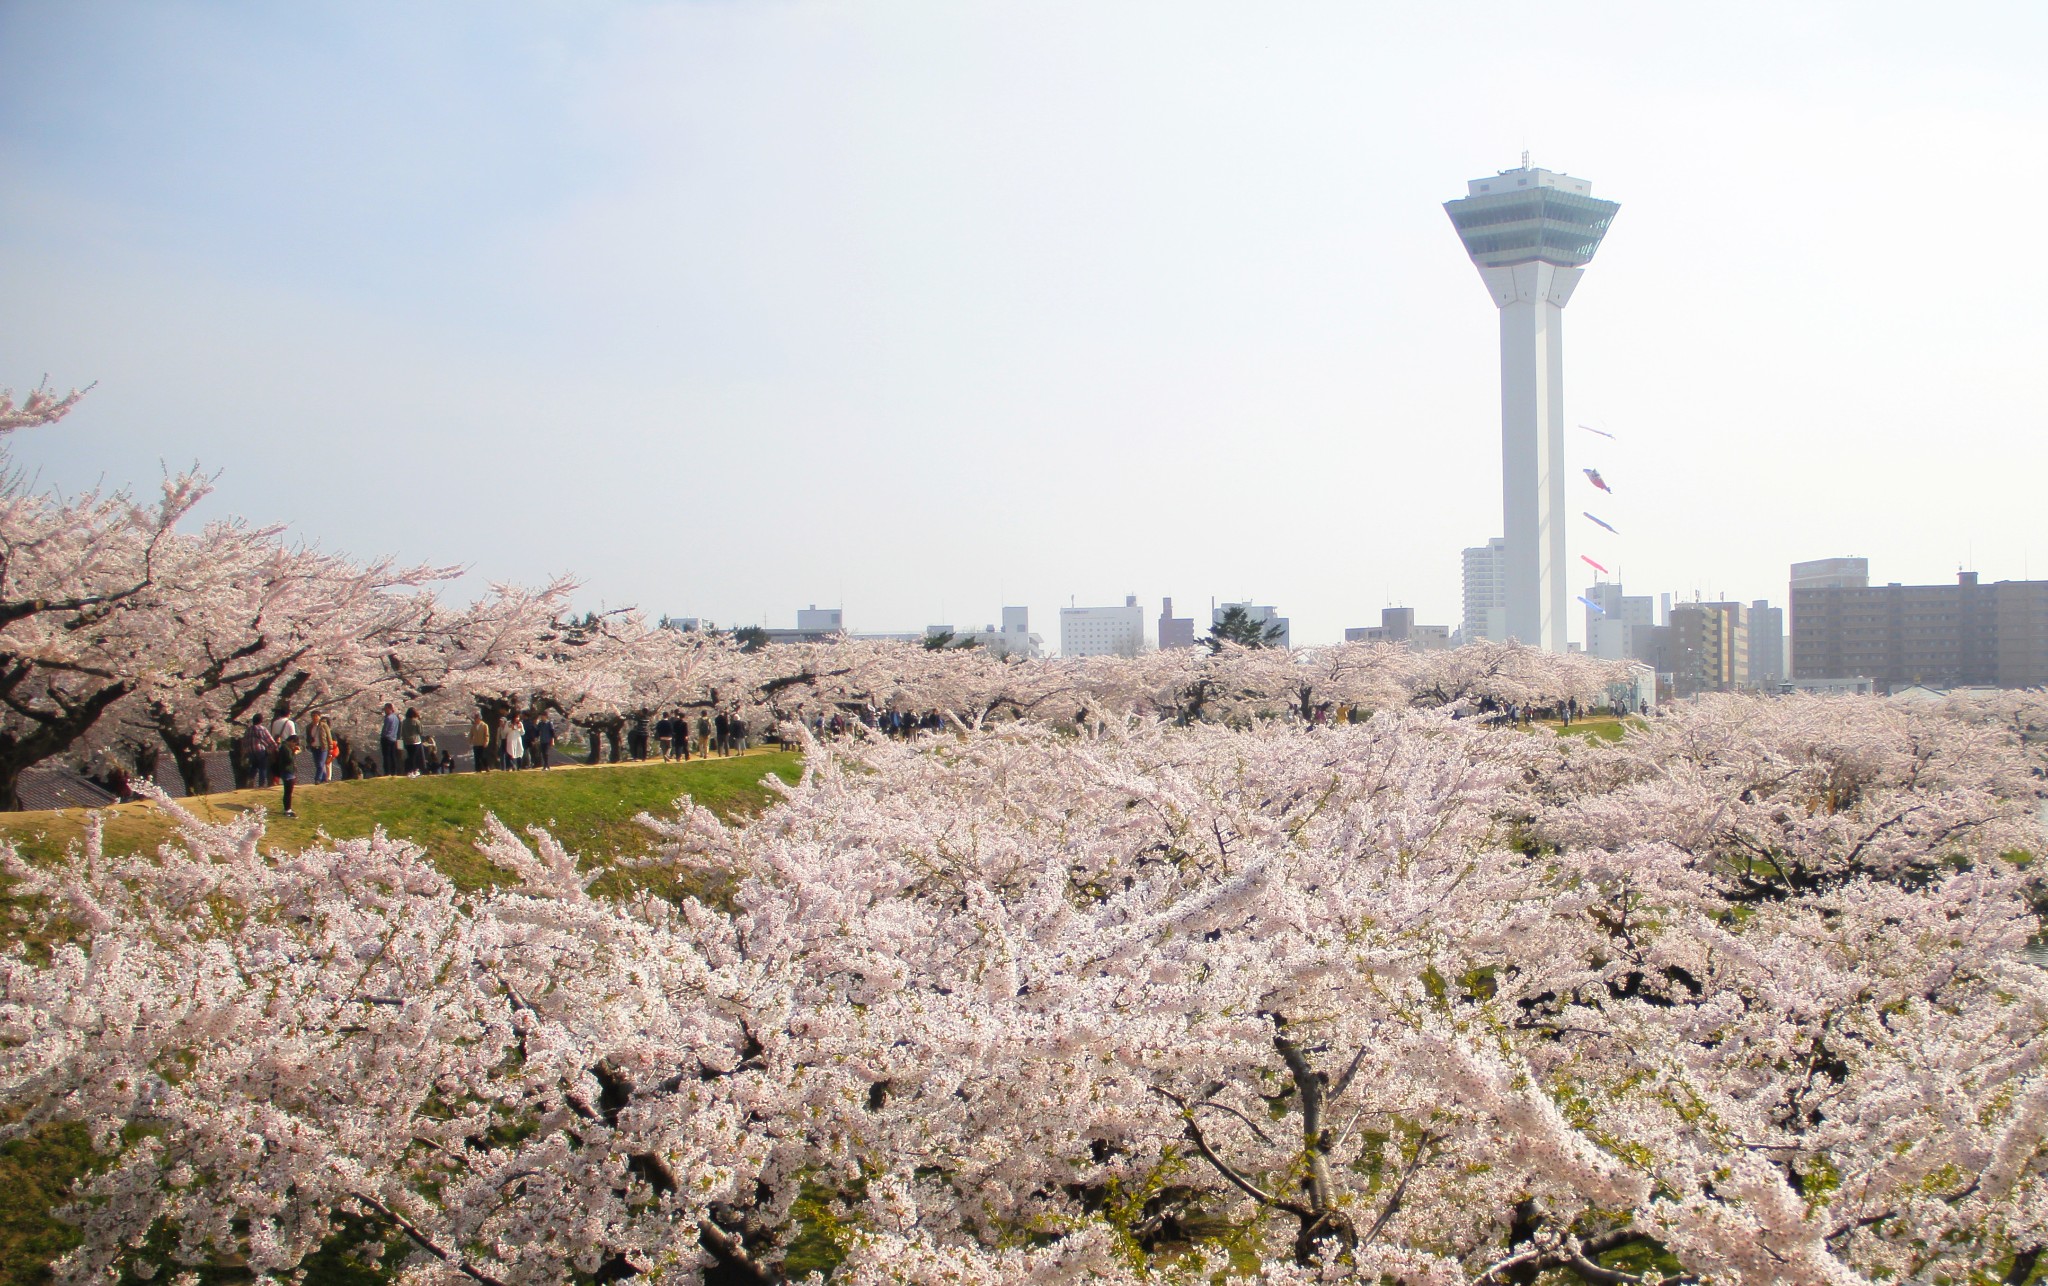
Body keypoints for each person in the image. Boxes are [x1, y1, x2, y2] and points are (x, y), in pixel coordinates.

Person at [243, 716, 276, 789]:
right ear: (261, 720)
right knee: (262, 767)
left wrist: (246, 752)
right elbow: (269, 739)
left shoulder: (248, 730)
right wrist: (275, 747)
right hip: (260, 750)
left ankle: (250, 781)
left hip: (250, 751)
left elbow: (244, 742)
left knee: (254, 766)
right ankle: (261, 785)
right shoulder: (261, 728)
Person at [276, 730, 300, 817]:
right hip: (287, 772)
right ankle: (287, 809)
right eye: (295, 743)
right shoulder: (285, 748)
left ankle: (288, 809)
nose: (294, 745)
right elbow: (289, 759)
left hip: (287, 771)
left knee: (288, 792)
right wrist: (294, 753)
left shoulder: (285, 747)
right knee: (288, 792)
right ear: (291, 741)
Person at [308, 713, 334, 785]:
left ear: (319, 717)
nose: (315, 718)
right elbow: (308, 737)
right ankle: (324, 778)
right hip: (314, 747)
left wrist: (331, 747)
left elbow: (329, 737)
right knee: (317, 764)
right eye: (313, 716)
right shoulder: (309, 727)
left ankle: (317, 779)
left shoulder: (324, 726)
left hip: (323, 747)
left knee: (320, 763)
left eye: (316, 716)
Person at [380, 703, 402, 777]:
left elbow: (385, 729)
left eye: (385, 709)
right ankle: (394, 772)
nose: (385, 710)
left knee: (386, 756)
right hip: (393, 739)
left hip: (387, 738)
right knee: (393, 756)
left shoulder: (388, 718)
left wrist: (382, 736)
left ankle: (387, 772)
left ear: (389, 709)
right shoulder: (396, 718)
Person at [400, 707, 424, 775]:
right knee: (415, 757)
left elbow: (402, 733)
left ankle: (410, 770)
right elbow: (420, 732)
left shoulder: (404, 722)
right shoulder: (416, 721)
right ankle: (414, 770)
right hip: (415, 741)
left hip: (407, 742)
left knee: (410, 756)